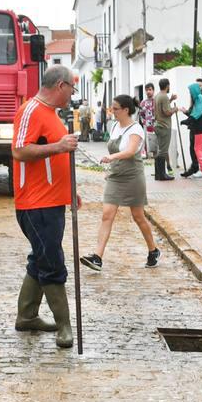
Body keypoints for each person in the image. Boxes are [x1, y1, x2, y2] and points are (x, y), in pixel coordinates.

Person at [11, 65, 80, 349]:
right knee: (51, 261)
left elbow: (56, 156)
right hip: (35, 203)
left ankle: (27, 316)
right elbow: (19, 150)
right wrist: (59, 147)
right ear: (61, 85)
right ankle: (64, 325)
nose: (72, 95)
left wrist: (70, 190)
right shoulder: (30, 110)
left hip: (52, 201)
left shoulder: (52, 114)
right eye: (72, 89)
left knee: (41, 257)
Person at [79, 94, 161, 272]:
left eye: (115, 108)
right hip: (116, 176)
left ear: (125, 110)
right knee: (107, 215)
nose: (112, 111)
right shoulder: (115, 125)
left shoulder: (136, 129)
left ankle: (153, 250)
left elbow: (131, 151)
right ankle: (97, 257)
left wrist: (112, 157)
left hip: (133, 175)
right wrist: (111, 168)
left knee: (138, 216)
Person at [181, 82, 202, 177]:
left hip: (200, 128)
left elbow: (197, 114)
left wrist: (187, 121)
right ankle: (199, 169)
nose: (190, 93)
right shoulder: (197, 99)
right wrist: (187, 118)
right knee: (197, 148)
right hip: (197, 128)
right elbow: (194, 113)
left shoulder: (200, 98)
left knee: (198, 149)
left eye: (190, 91)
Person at [152, 79, 176, 181]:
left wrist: (170, 100)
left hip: (158, 125)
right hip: (164, 126)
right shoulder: (164, 96)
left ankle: (158, 174)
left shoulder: (158, 96)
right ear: (167, 86)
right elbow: (166, 112)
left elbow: (160, 108)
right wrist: (175, 109)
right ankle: (162, 175)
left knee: (160, 150)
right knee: (163, 151)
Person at [140, 82, 156, 159]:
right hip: (147, 125)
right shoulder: (143, 103)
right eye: (146, 90)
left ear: (153, 90)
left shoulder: (157, 101)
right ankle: (146, 154)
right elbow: (141, 114)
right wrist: (145, 122)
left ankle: (156, 154)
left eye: (150, 89)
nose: (148, 91)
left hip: (156, 125)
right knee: (146, 140)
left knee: (156, 140)